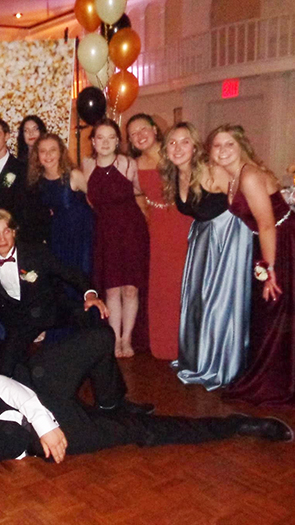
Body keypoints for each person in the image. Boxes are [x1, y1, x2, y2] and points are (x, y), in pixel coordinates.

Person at [0, 330, 294, 500]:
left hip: (36, 402)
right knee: (136, 433)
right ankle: (236, 426)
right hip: (39, 441)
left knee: (97, 338)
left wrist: (43, 418)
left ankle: (112, 399)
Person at [210, 124, 295, 408]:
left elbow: (267, 224)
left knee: (283, 310)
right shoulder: (233, 176)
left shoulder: (248, 175)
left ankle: (290, 382)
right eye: (217, 145)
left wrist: (269, 270)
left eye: (228, 144)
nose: (222, 151)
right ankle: (279, 377)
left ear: (241, 146)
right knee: (274, 314)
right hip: (274, 242)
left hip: (290, 244)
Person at [0, 208, 146, 412]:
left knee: (94, 322)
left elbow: (70, 273)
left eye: (7, 231)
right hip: (20, 320)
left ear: (14, 232)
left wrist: (90, 294)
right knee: (3, 368)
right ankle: (5, 414)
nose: (2, 238)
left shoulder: (35, 252)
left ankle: (111, 400)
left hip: (51, 308)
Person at [159, 122, 254, 391]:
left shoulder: (211, 170)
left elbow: (251, 192)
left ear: (196, 146)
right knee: (198, 300)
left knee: (219, 303)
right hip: (204, 237)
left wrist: (289, 199)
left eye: (184, 141)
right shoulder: (177, 175)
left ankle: (223, 364)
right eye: (172, 143)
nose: (178, 148)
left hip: (228, 238)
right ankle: (200, 358)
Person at [83, 118, 150, 358]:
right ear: (93, 141)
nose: (105, 142)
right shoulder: (87, 165)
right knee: (111, 291)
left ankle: (126, 338)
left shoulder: (129, 163)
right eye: (100, 137)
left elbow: (142, 197)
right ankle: (113, 339)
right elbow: (88, 201)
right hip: (106, 232)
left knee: (130, 289)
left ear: (118, 141)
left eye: (111, 137)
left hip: (131, 230)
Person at [127, 114, 192, 361]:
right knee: (163, 286)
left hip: (184, 221)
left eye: (144, 128)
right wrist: (149, 218)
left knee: (185, 283)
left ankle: (190, 344)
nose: (140, 135)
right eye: (133, 133)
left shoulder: (173, 153)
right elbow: (139, 197)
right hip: (158, 228)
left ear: (155, 129)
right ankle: (166, 344)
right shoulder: (134, 164)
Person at [27, 133, 93, 277]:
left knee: (81, 278)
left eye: (52, 150)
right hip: (57, 236)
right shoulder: (38, 181)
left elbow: (95, 201)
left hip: (80, 235)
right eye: (43, 151)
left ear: (61, 152)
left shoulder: (73, 175)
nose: (48, 155)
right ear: (37, 155)